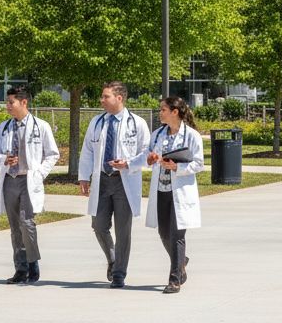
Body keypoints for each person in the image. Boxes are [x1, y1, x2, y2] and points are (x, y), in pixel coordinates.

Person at [78, 81, 150, 288]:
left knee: (123, 231)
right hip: (102, 180)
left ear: (119, 98)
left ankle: (119, 273)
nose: (101, 100)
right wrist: (84, 177)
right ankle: (113, 259)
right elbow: (88, 151)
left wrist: (128, 164)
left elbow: (147, 153)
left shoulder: (137, 123)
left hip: (124, 181)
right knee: (98, 225)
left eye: (105, 96)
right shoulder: (97, 122)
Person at [0, 86, 59, 284]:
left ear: (24, 102)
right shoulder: (3, 127)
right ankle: (20, 269)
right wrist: (3, 159)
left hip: (29, 180)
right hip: (10, 180)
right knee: (14, 227)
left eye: (11, 102)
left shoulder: (41, 126)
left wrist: (40, 174)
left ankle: (32, 262)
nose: (8, 106)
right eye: (7, 103)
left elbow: (53, 154)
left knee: (27, 223)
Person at [132, 96, 204, 295]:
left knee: (177, 235)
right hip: (161, 191)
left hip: (180, 192)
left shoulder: (192, 135)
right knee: (163, 234)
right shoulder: (157, 134)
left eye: (163, 109)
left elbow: (199, 163)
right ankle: (181, 261)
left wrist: (177, 166)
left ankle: (175, 279)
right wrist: (150, 158)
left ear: (174, 112)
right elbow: (147, 155)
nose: (160, 113)